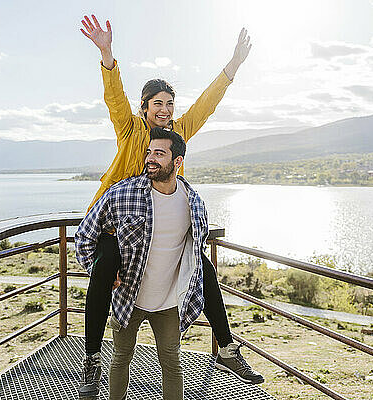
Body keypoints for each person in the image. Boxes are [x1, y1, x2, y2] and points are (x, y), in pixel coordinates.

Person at [77, 14, 264, 399]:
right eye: (157, 104)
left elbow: (207, 104)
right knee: (103, 272)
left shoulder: (178, 135)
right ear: (144, 108)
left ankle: (227, 347)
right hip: (116, 226)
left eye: (169, 104)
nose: (165, 109)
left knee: (204, 267)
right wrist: (108, 54)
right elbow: (114, 98)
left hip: (157, 224)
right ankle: (92, 359)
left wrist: (233, 65)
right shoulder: (131, 130)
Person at [76, 128, 208, 399]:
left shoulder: (193, 203)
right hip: (128, 300)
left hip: (170, 303)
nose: (150, 158)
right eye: (149, 152)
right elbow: (84, 238)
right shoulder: (121, 194)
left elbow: (197, 252)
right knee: (120, 358)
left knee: (172, 364)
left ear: (178, 161)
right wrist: (100, 275)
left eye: (159, 153)